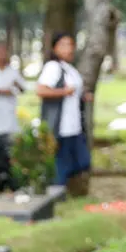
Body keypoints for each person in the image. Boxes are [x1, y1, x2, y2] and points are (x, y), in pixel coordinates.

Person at [35, 32, 92, 195]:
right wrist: (64, 92)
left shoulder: (70, 69)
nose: (68, 49)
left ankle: (59, 189)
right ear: (54, 48)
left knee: (82, 161)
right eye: (63, 45)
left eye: (70, 45)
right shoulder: (52, 67)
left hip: (74, 125)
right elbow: (41, 90)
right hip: (60, 125)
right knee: (61, 163)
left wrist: (82, 96)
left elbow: (74, 92)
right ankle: (55, 195)